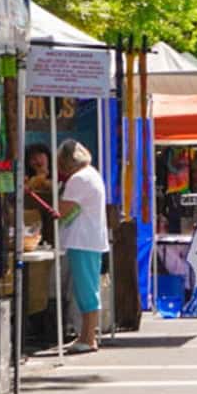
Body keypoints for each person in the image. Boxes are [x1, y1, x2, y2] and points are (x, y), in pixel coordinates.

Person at [58, 140, 110, 354]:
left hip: (82, 240)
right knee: (88, 289)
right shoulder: (91, 174)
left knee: (86, 291)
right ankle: (86, 335)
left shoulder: (78, 179)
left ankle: (88, 337)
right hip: (90, 239)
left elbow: (63, 210)